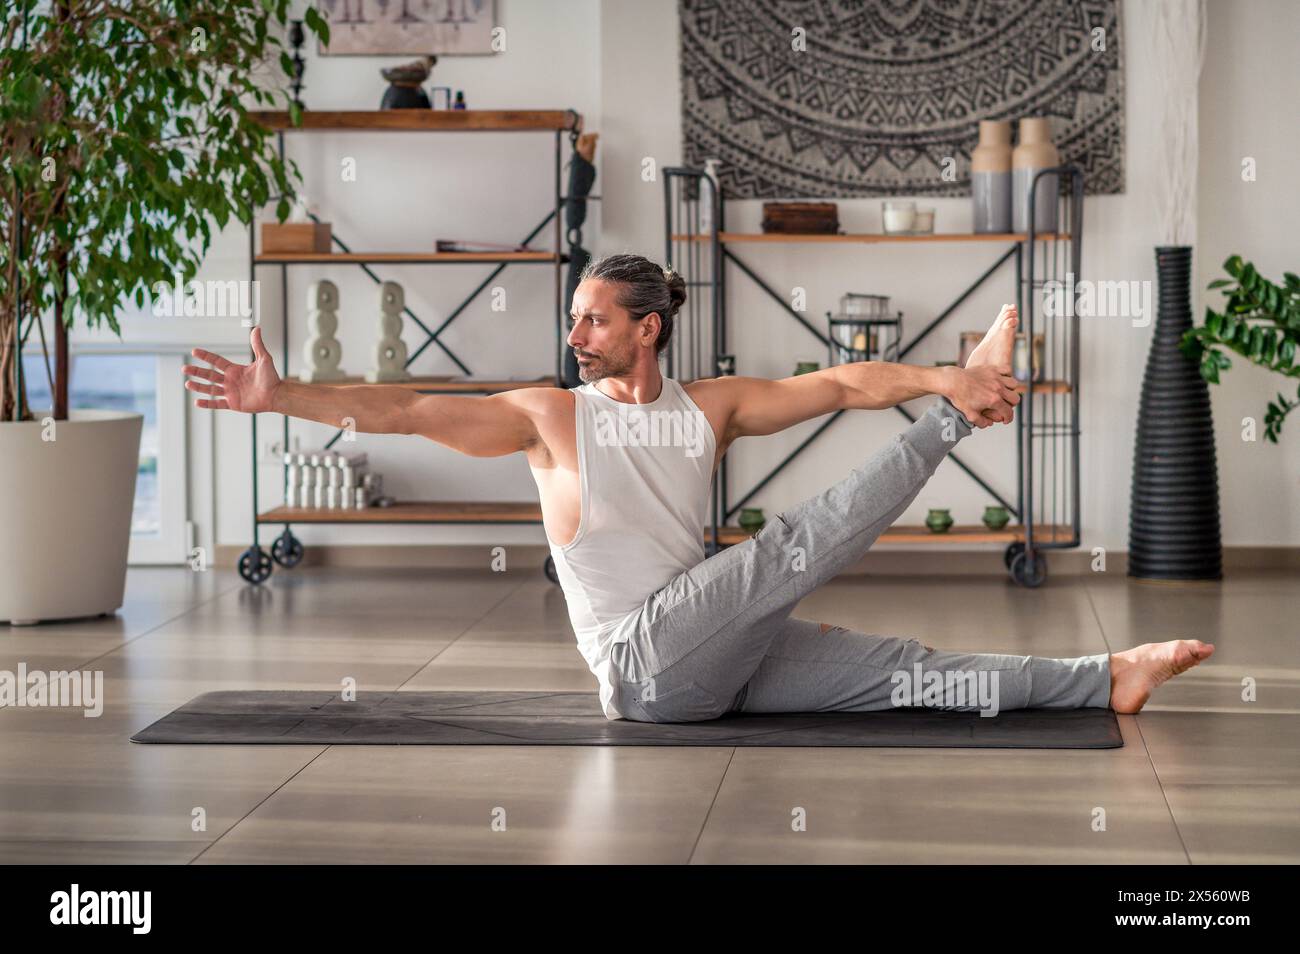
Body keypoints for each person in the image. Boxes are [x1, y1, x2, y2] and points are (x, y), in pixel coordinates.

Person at [183, 253, 1213, 723]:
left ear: (647, 329)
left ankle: (1103, 677)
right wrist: (284, 399)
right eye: (573, 319)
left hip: (716, 649)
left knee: (907, 672)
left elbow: (842, 382)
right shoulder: (548, 416)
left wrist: (941, 370)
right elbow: (404, 411)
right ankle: (955, 422)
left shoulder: (707, 407)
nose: (574, 335)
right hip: (642, 669)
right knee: (782, 548)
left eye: (593, 319)